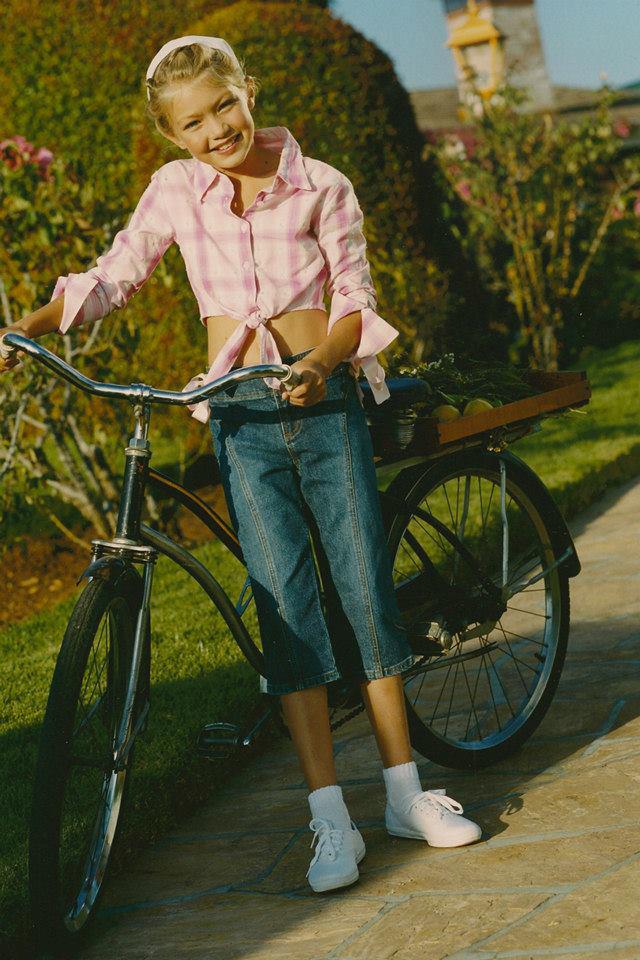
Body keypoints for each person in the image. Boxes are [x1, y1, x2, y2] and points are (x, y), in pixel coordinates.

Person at [0, 35, 482, 893]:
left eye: (224, 105)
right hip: (241, 417)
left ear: (247, 90)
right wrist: (31, 325)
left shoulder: (322, 183)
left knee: (364, 594)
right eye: (193, 123)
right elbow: (116, 275)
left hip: (325, 403)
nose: (216, 128)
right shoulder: (175, 191)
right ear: (172, 136)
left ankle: (406, 794)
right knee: (286, 611)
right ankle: (329, 818)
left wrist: (323, 362)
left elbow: (354, 299)